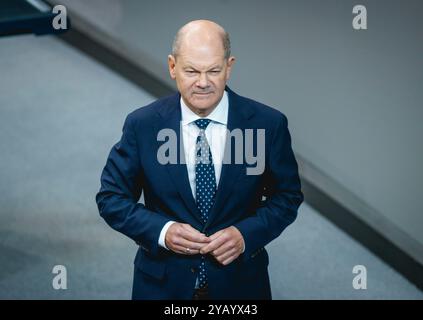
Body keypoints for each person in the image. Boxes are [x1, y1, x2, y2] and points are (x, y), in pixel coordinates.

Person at [96, 19, 303, 300]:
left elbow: (287, 196)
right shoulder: (142, 125)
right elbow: (111, 198)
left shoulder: (268, 125)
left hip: (241, 287)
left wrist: (245, 235)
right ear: (172, 67)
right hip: (162, 286)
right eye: (192, 71)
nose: (203, 83)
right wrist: (162, 231)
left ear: (229, 67)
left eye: (214, 71)